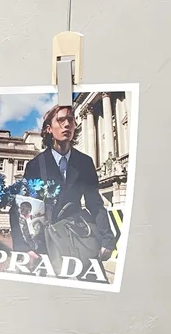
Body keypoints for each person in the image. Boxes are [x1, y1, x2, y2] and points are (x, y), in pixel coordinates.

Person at [10, 104, 116, 265]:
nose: (67, 124)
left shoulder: (85, 163)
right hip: (45, 245)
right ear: (49, 129)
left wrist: (107, 239)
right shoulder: (35, 165)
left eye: (70, 120)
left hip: (77, 238)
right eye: (60, 120)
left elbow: (95, 203)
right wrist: (23, 248)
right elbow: (19, 208)